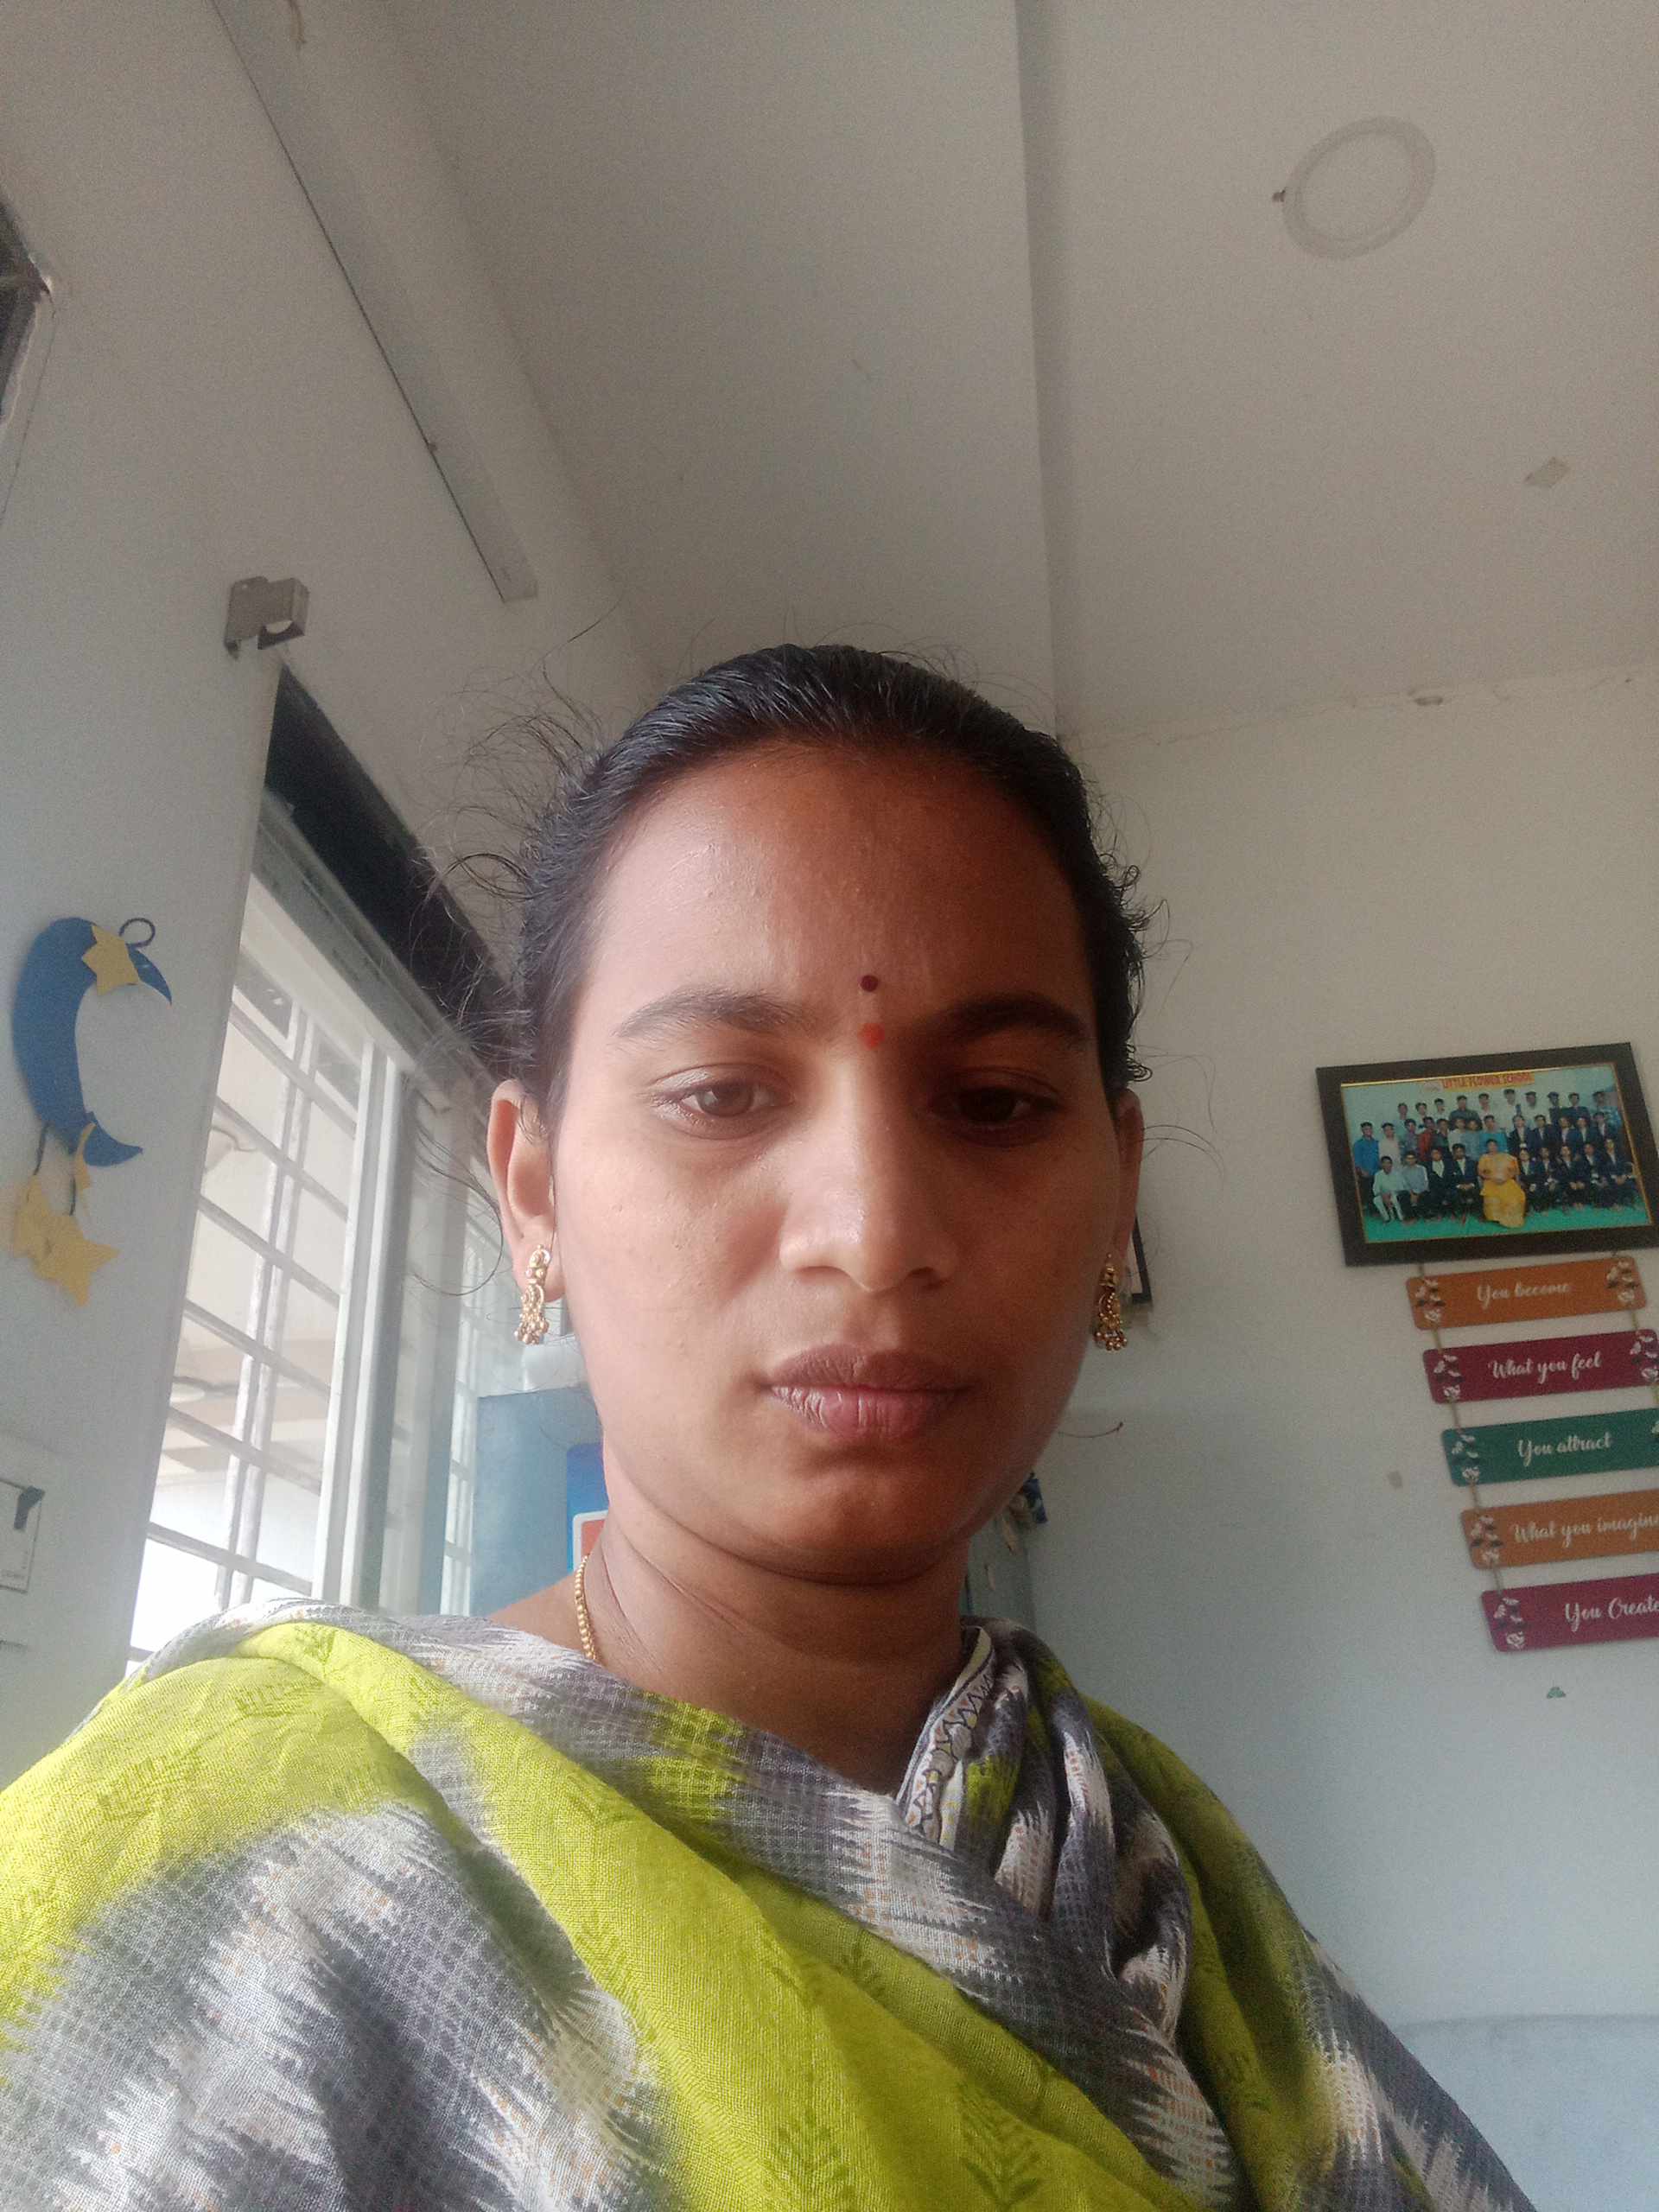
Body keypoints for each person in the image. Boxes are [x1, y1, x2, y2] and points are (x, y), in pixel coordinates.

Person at [0, 646, 1535, 2211]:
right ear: (532, 1190)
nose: (874, 1234)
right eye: (721, 1093)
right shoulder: (218, 1865)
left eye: (996, 1101)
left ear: (1115, 1188)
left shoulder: (1171, 1894)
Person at [1478, 1138, 1526, 1229]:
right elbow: (1480, 1172)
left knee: (1516, 1197)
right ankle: (1495, 1218)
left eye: (1494, 1145)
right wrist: (1492, 1178)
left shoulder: (1507, 1157)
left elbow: (1514, 1171)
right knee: (1494, 1198)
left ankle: (1512, 1217)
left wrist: (1506, 1178)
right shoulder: (1484, 1158)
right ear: (1487, 1147)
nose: (1492, 1147)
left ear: (1497, 1147)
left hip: (1507, 1181)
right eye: (1490, 1145)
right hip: (1491, 1182)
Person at [1352, 1118, 1380, 1210]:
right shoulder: (1358, 1144)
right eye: (1366, 1129)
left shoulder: (1377, 1143)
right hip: (1366, 1173)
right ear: (1362, 1130)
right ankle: (1372, 1210)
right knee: (1369, 1194)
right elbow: (1357, 1160)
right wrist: (1362, 1171)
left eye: (1370, 1129)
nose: (1369, 1131)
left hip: (1377, 1172)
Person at [1425, 1143, 1459, 1217]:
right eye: (1433, 1153)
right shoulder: (1427, 1166)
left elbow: (1453, 1177)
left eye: (1437, 1153)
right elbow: (1428, 1180)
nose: (1436, 1155)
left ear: (1441, 1154)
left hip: (1448, 1186)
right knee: (1433, 1194)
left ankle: (1452, 1212)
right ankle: (1439, 1212)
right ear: (1430, 1155)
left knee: (1452, 1192)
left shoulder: (1449, 1163)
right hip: (1435, 1187)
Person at [1371, 1154, 1407, 1223]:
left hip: (1395, 1193)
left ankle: (1401, 1216)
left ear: (1391, 1164)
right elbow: (1375, 1188)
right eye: (1384, 1163)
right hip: (1383, 1194)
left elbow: (1401, 1187)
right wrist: (1383, 1195)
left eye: (1388, 1163)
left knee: (1394, 1198)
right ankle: (1386, 1218)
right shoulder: (1378, 1175)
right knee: (1376, 1200)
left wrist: (1391, 1193)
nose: (1386, 1165)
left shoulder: (1397, 1174)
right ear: (1381, 1165)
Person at [1451, 1141, 1481, 1219]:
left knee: (1478, 1192)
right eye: (1457, 1152)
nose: (1459, 1153)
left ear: (1464, 1152)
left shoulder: (1473, 1162)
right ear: (1453, 1153)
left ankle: (1479, 1214)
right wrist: (1459, 1186)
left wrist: (1471, 1185)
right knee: (1453, 1194)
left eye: (1461, 1151)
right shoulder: (1450, 1164)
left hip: (1472, 1185)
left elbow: (1476, 1176)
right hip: (1458, 1187)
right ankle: (1460, 1214)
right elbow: (1450, 1179)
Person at [1401, 1149, 1430, 1219]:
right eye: (1408, 1158)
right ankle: (1410, 1217)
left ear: (1416, 1159)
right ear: (1405, 1160)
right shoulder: (1403, 1171)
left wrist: (1417, 1194)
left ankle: (1426, 1215)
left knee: (1426, 1194)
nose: (1410, 1160)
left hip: (1421, 1191)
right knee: (1402, 1195)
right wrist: (1412, 1194)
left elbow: (1426, 1183)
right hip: (1410, 1192)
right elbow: (1405, 1185)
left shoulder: (1422, 1168)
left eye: (1412, 1158)